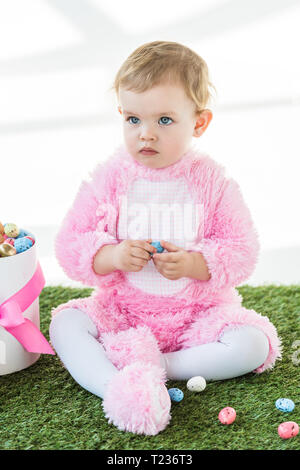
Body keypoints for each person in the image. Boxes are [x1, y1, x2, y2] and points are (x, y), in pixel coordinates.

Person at [49, 40, 282, 436]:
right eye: (133, 119)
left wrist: (195, 263)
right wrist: (112, 255)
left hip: (197, 318)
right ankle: (116, 387)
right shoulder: (110, 178)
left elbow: (242, 251)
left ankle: (153, 368)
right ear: (121, 114)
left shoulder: (213, 182)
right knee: (65, 324)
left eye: (165, 120)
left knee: (253, 345)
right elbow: (71, 244)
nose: (146, 135)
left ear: (199, 122)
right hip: (124, 313)